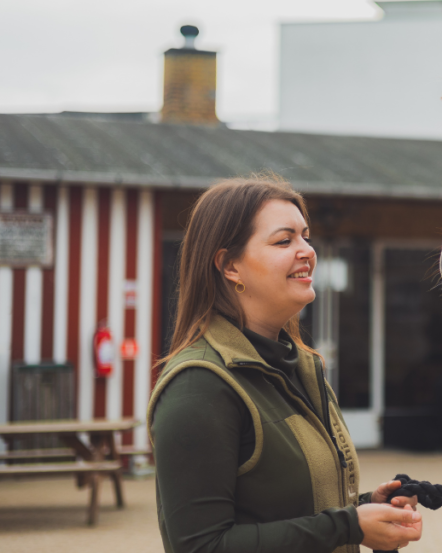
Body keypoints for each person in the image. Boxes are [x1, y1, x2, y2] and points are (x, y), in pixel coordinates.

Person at [148, 176, 422, 552]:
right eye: (284, 240)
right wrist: (347, 526)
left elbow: (292, 512)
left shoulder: (302, 367)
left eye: (306, 236)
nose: (307, 250)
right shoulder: (199, 386)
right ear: (230, 266)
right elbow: (201, 546)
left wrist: (368, 511)